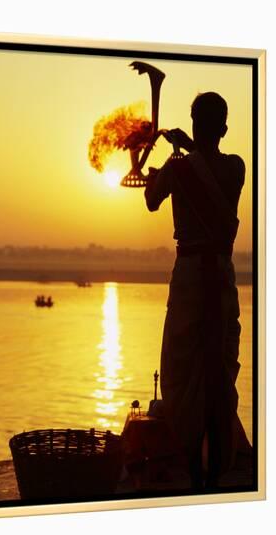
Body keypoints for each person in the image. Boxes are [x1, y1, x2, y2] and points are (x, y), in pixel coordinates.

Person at [144, 92, 246, 490]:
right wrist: (186, 151)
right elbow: (207, 169)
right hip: (221, 279)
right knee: (218, 370)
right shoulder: (235, 167)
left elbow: (152, 200)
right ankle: (218, 465)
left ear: (194, 124)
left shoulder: (178, 168)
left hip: (189, 280)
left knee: (181, 373)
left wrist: (162, 171)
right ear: (223, 128)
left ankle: (188, 463)